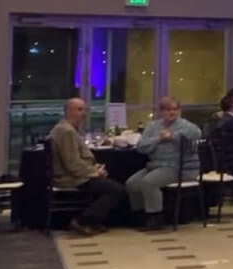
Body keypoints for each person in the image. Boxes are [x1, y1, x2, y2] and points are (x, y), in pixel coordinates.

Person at [48, 97, 125, 235]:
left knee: (107, 184)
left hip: (73, 174)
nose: (84, 113)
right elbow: (72, 164)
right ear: (68, 111)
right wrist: (95, 172)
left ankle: (94, 220)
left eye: (84, 109)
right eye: (79, 109)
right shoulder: (67, 131)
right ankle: (83, 220)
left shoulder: (65, 128)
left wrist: (94, 169)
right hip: (69, 177)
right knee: (116, 190)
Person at [127, 97, 202, 228]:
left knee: (149, 182)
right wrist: (158, 139)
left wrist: (172, 136)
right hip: (155, 165)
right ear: (161, 111)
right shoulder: (153, 126)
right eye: (168, 109)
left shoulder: (184, 125)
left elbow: (197, 133)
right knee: (132, 184)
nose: (172, 112)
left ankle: (155, 217)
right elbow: (141, 147)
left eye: (175, 109)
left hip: (179, 167)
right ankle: (140, 215)